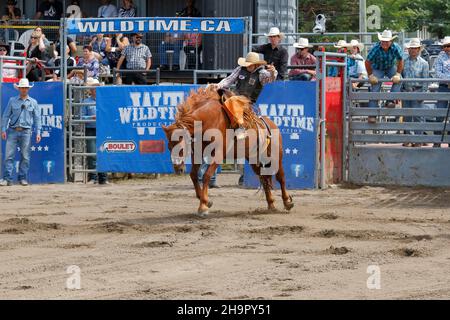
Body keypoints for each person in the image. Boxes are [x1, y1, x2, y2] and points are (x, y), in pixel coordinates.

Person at [215, 52, 277, 186]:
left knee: (232, 102)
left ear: (255, 65)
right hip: (234, 99)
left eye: (250, 65)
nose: (247, 66)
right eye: (247, 64)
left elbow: (271, 78)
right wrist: (218, 86)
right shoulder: (240, 69)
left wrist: (273, 72)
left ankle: (241, 127)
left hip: (249, 103)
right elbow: (229, 80)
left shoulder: (261, 73)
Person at [0, 78, 41, 186]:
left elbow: (37, 118)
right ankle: (7, 178)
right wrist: (3, 129)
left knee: (25, 156)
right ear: (19, 88)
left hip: (26, 131)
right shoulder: (12, 100)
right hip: (13, 130)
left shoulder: (33, 102)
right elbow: (5, 115)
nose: (24, 89)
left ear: (28, 89)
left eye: (25, 88)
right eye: (22, 87)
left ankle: (22, 178)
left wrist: (38, 132)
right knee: (9, 156)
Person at [365, 30, 404, 123]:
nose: (384, 43)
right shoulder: (375, 48)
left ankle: (390, 100)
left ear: (391, 41)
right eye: (383, 41)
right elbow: (367, 61)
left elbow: (401, 60)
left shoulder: (395, 47)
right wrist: (370, 75)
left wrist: (398, 74)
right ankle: (372, 115)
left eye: (387, 41)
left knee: (400, 79)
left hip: (390, 67)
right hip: (377, 68)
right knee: (375, 88)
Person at [401, 38, 429, 146]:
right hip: (406, 91)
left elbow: (426, 81)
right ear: (408, 50)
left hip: (418, 91)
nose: (413, 50)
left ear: (419, 50)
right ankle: (408, 138)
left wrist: (423, 93)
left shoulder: (424, 63)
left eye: (415, 48)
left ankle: (418, 139)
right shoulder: (403, 62)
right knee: (407, 116)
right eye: (411, 48)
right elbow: (401, 76)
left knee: (418, 116)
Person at [81, 78, 108, 185]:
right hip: (91, 129)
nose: (95, 89)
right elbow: (81, 117)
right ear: (91, 89)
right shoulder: (86, 102)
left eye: (97, 87)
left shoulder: (104, 101)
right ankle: (93, 177)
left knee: (103, 153)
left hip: (102, 130)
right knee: (92, 153)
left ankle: (103, 177)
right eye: (94, 87)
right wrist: (90, 118)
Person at [433, 36, 450, 148]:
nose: (447, 48)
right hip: (443, 86)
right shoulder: (440, 57)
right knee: (440, 113)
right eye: (445, 46)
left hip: (445, 84)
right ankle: (437, 139)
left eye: (449, 46)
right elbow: (437, 72)